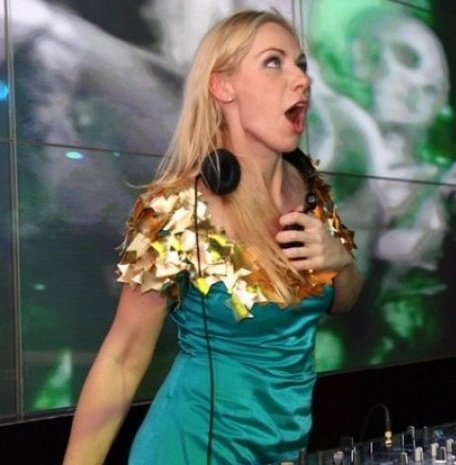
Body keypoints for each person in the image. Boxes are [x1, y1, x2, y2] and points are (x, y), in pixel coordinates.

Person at [62, 9, 362, 465]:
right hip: (189, 451)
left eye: (300, 64)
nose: (302, 79)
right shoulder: (178, 210)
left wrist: (340, 261)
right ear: (223, 87)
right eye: (274, 62)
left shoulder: (312, 193)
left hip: (284, 450)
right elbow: (122, 359)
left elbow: (344, 301)